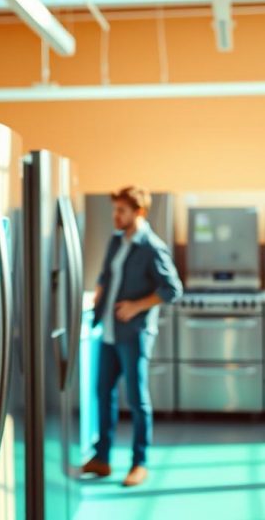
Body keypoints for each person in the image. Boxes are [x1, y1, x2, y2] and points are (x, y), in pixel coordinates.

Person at [81, 186, 183, 488]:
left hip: (134, 333)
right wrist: (96, 299)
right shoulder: (116, 240)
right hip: (109, 329)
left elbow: (173, 289)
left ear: (138, 212)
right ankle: (102, 458)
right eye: (114, 210)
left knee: (138, 400)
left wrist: (137, 305)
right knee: (104, 394)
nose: (115, 216)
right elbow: (107, 276)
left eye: (121, 211)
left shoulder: (152, 247)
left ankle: (140, 463)